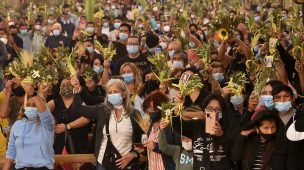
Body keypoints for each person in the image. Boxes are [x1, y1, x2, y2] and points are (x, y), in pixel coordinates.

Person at [70, 77, 143, 170]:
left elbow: (143, 140)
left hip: (126, 165)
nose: (112, 94)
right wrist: (76, 90)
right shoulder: (102, 110)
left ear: (124, 93)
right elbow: (78, 109)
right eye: (110, 92)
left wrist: (134, 154)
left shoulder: (134, 113)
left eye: (116, 91)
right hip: (103, 164)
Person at [3, 82, 55, 170]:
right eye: (28, 105)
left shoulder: (47, 124)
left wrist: (33, 94)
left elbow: (45, 115)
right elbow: (10, 154)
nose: (31, 108)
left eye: (34, 105)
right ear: (23, 107)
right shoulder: (17, 125)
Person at [182, 93, 239, 170]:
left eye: (218, 109)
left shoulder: (229, 126)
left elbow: (235, 154)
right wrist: (178, 106)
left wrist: (221, 135)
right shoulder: (197, 125)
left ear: (222, 112)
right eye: (210, 108)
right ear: (204, 110)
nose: (213, 112)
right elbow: (177, 126)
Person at [47, 78, 90, 154]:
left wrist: (67, 126)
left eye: (68, 85)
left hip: (78, 142)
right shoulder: (54, 103)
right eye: (63, 85)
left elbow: (86, 119)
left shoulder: (80, 100)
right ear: (59, 89)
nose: (65, 87)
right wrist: (43, 93)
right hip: (59, 144)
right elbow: (41, 113)